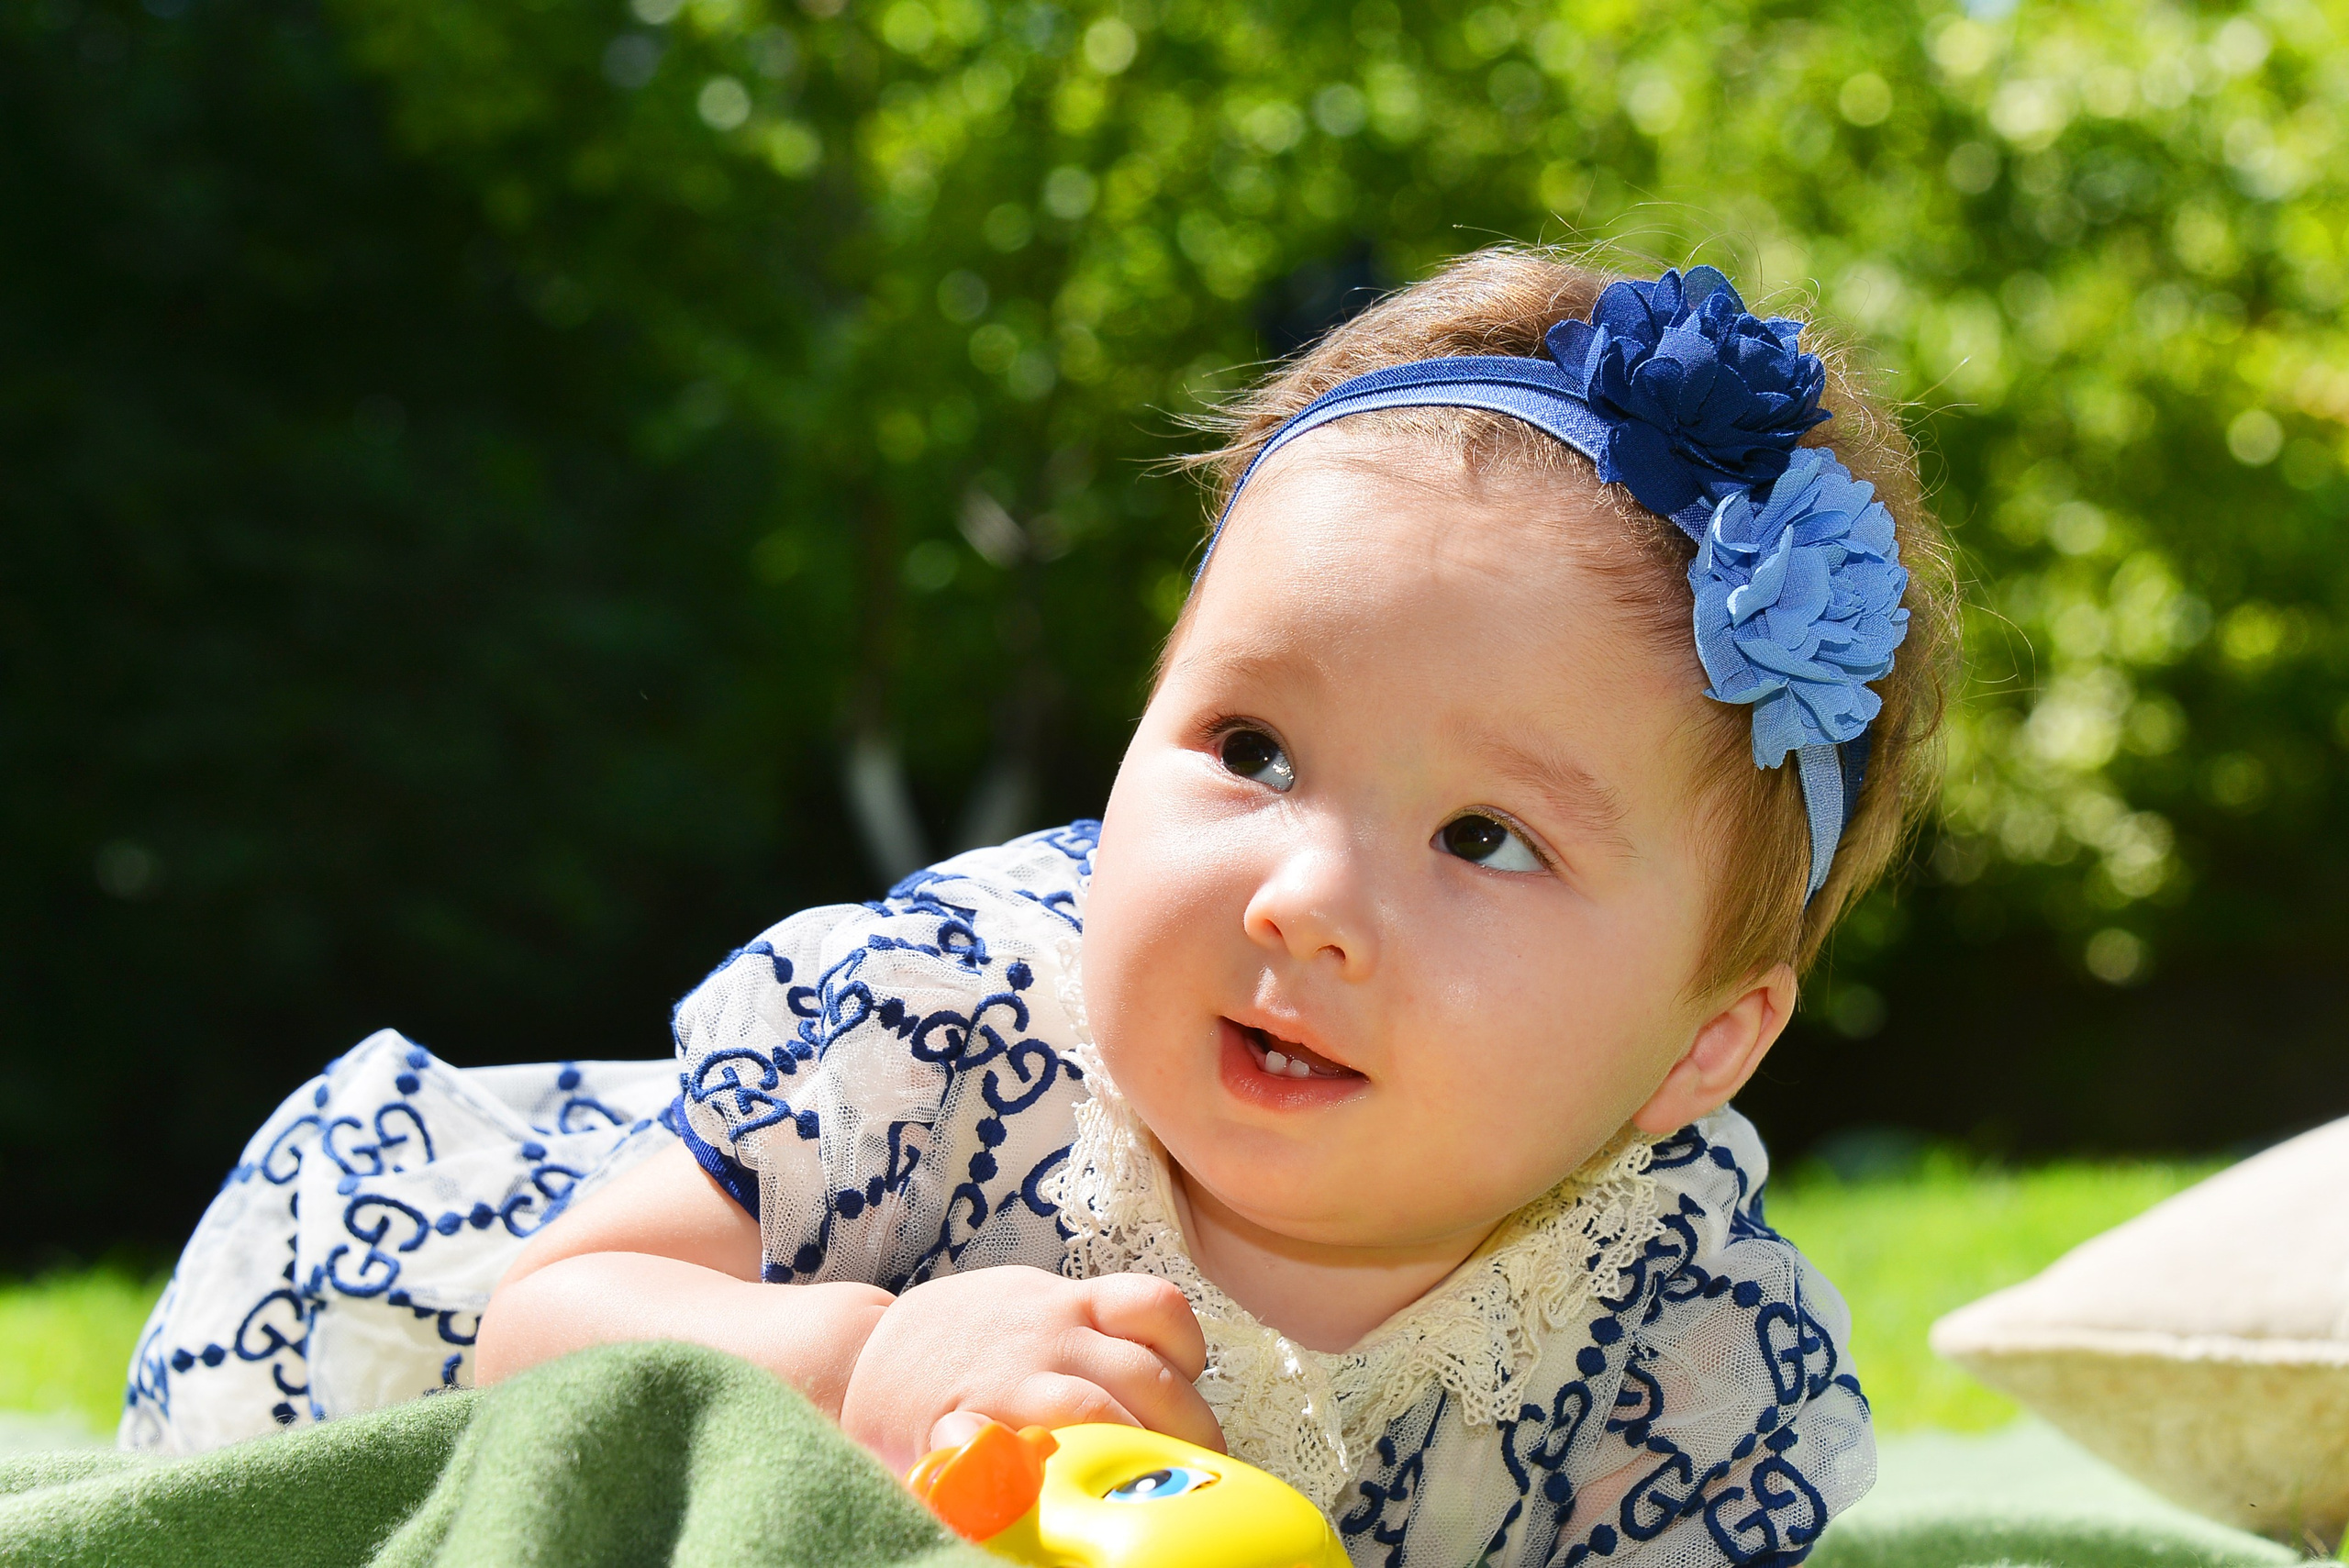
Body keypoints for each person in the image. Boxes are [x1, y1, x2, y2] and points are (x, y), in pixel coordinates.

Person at [125, 247, 1957, 1568]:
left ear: (1698, 1047)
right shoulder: (961, 1025)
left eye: (1483, 841)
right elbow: (548, 1322)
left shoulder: (1672, 1347)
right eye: (1248, 745)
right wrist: (864, 1358)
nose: (1302, 896)